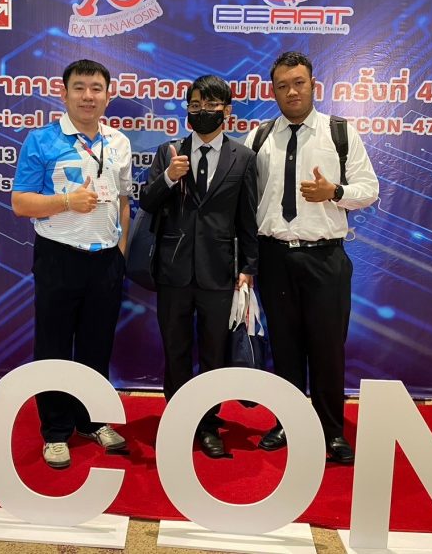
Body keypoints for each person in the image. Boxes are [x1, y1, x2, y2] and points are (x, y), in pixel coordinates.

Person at [244, 52, 379, 464]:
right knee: (284, 346)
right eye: (282, 85)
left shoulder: (339, 132)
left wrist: (334, 192)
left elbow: (369, 189)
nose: (291, 91)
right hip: (274, 257)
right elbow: (246, 201)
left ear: (313, 85)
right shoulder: (259, 137)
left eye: (298, 83)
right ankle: (287, 422)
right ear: (273, 91)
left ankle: (331, 431)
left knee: (327, 348)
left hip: (325, 259)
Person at [11, 59, 132, 469]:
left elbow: (123, 201)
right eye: (79, 87)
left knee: (98, 345)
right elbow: (20, 202)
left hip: (106, 261)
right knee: (54, 347)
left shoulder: (118, 142)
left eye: (96, 88)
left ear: (108, 96)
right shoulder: (42, 140)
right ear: (63, 94)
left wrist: (121, 251)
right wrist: (66, 201)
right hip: (58, 256)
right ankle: (56, 431)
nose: (88, 96)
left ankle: (91, 421)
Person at [140, 75, 258, 458]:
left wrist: (248, 268)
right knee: (175, 350)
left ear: (227, 111)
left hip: (219, 271)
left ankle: (207, 424)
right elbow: (147, 202)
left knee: (213, 353)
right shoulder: (169, 151)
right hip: (172, 270)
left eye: (211, 105)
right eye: (195, 105)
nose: (202, 111)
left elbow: (248, 219)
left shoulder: (244, 157)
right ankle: (178, 420)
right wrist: (169, 178)